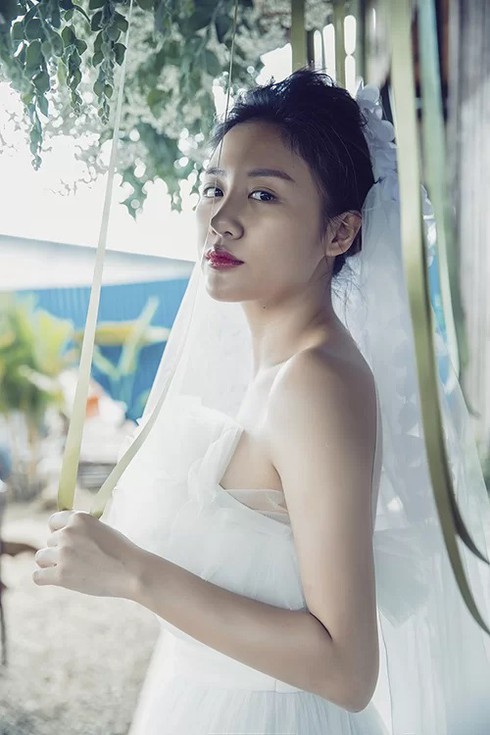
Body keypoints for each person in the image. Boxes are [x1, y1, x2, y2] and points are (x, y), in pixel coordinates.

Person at [32, 70, 490, 734]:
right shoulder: (274, 370)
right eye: (213, 189)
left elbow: (347, 669)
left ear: (340, 232)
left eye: (263, 194)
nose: (221, 220)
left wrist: (134, 573)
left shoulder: (315, 382)